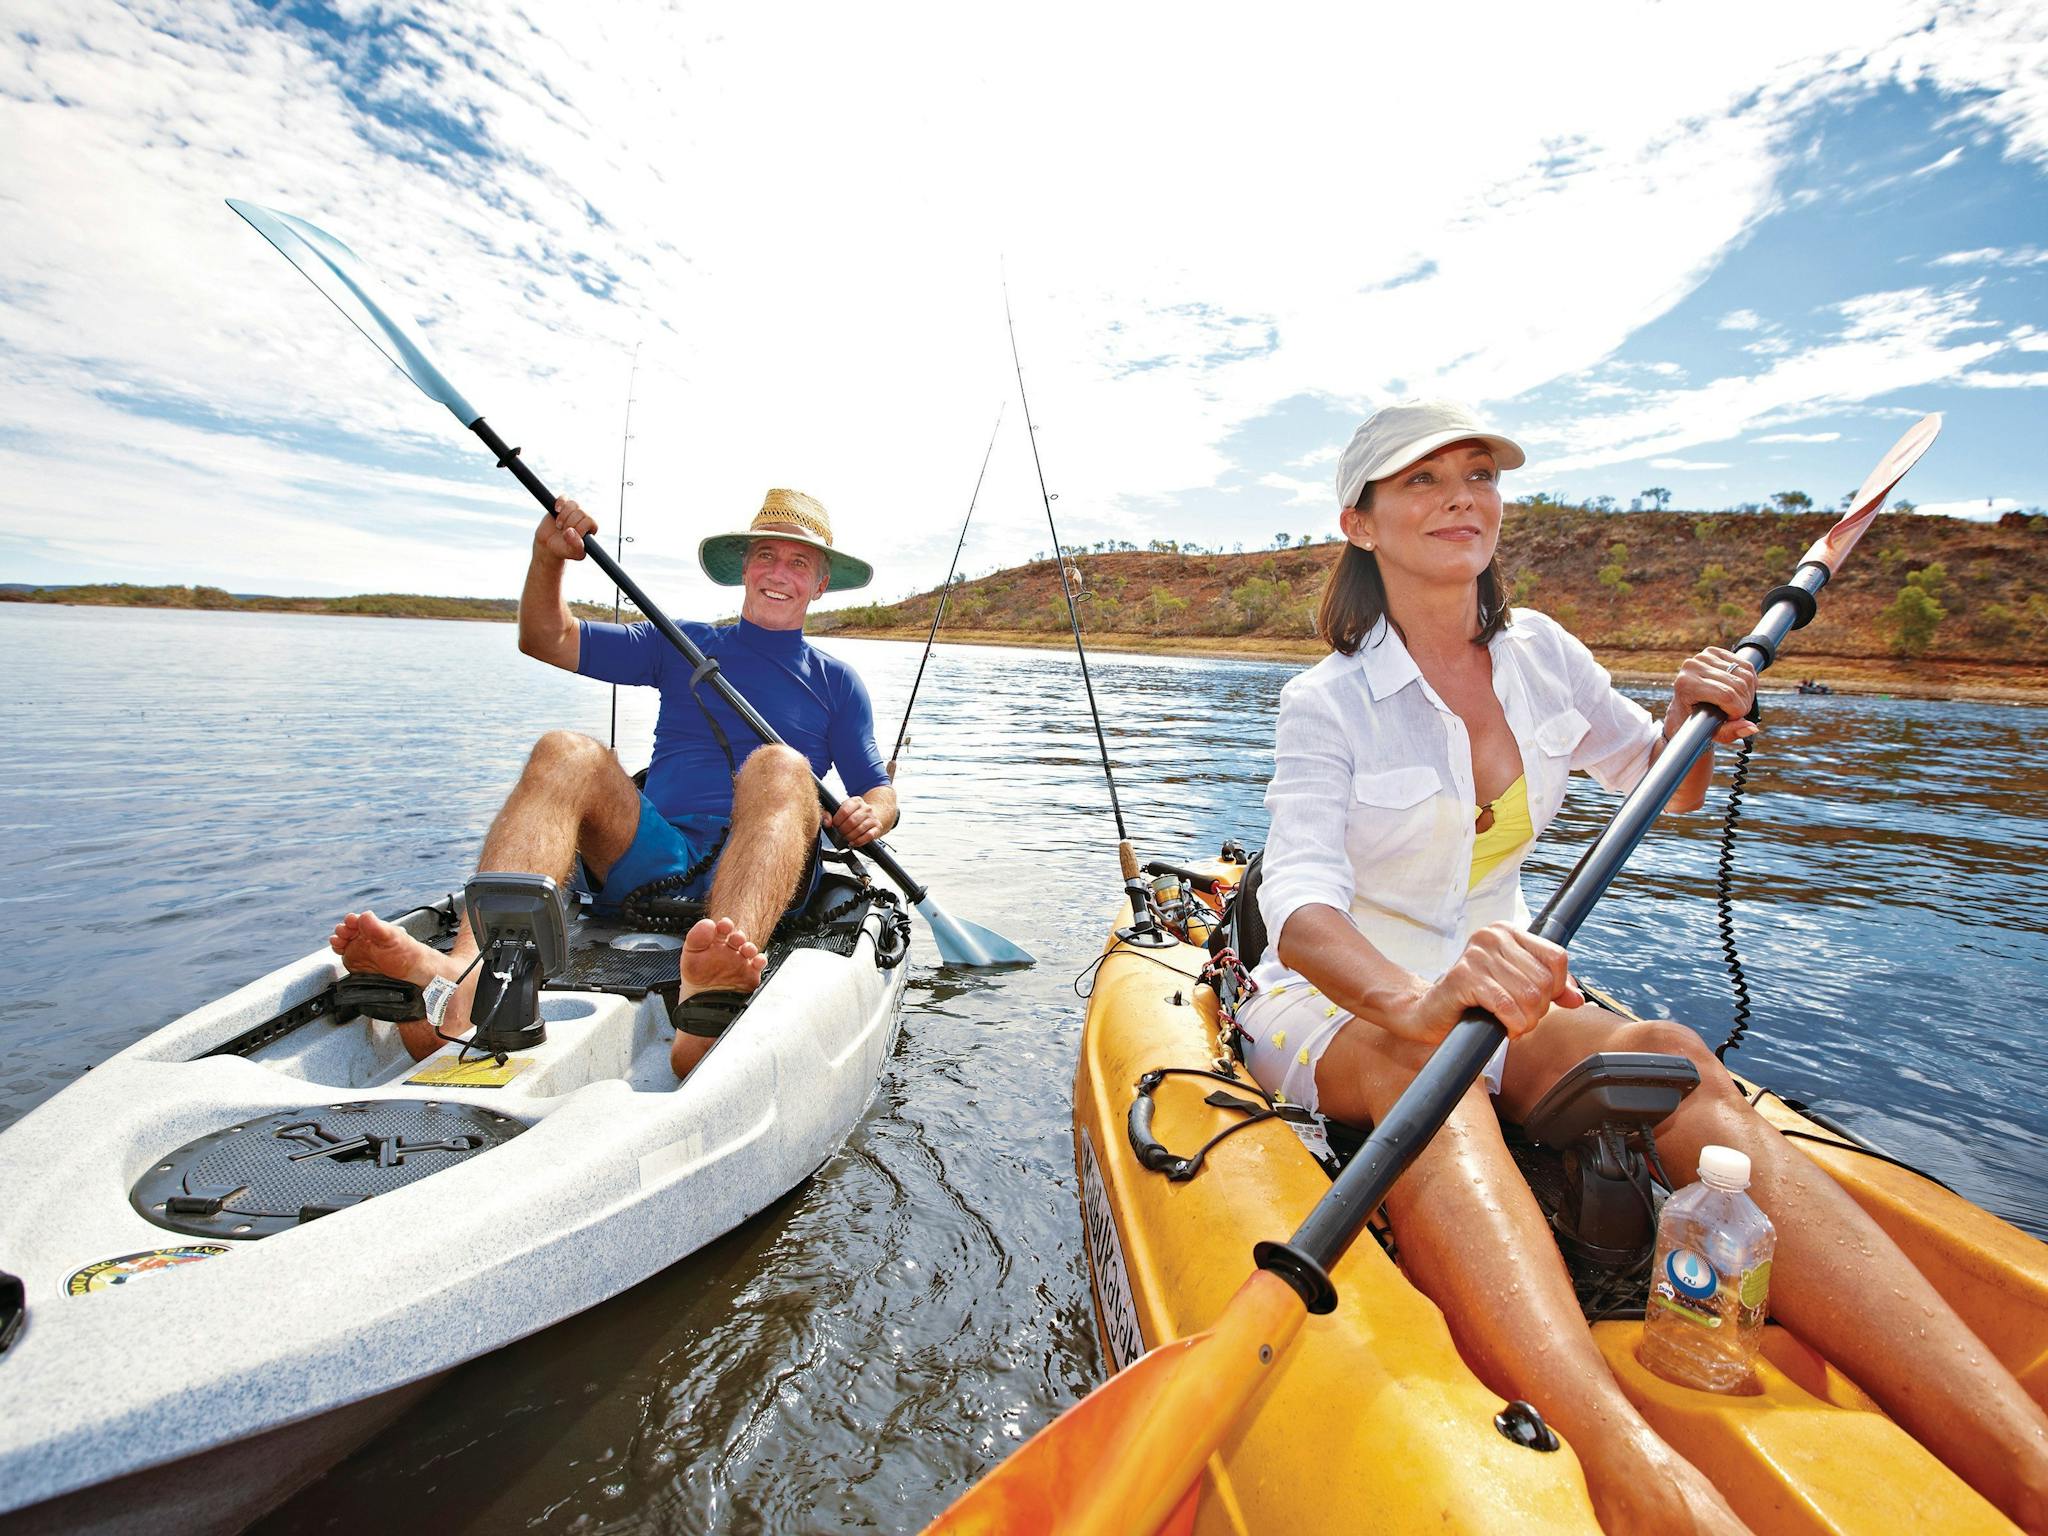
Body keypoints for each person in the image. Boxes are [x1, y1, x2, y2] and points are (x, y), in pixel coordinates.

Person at [1236, 400, 2048, 1536]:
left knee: (1669, 1056)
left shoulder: (1541, 654)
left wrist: (1688, 722)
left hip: (1500, 985)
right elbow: (1301, 908)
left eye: (1477, 474)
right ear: (1357, 523)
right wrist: (1415, 1001)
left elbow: (1658, 785)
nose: (1461, 495)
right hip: (1343, 997)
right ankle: (1627, 1468)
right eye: (1420, 481)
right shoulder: (1323, 701)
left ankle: (2023, 1460)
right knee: (1427, 1091)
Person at [329, 488, 897, 1081]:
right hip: (657, 858)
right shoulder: (678, 642)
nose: (779, 573)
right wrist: (548, 557)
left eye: (799, 562)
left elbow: (877, 789)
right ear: (745, 568)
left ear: (821, 583)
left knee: (779, 763)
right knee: (564, 750)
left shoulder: (838, 682)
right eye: (767, 556)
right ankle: (465, 972)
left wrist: (873, 814)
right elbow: (545, 638)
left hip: (762, 865)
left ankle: (715, 985)